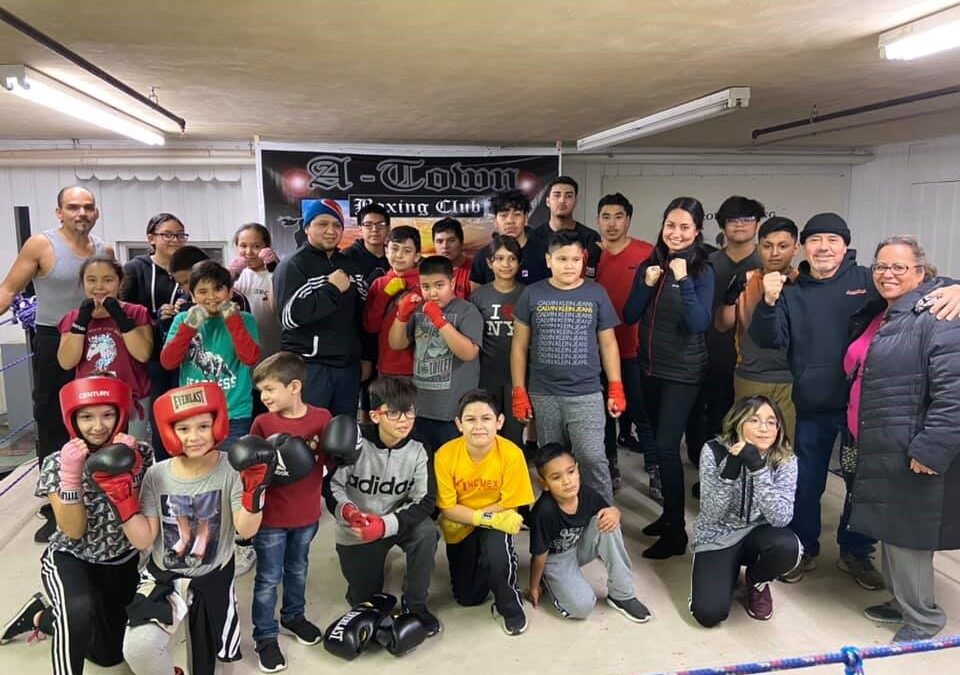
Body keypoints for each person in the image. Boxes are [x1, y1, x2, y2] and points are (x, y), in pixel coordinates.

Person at [749, 213, 960, 586]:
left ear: (845, 246)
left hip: (863, 413)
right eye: (816, 240)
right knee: (807, 483)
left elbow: (914, 283)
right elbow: (768, 339)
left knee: (860, 485)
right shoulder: (791, 291)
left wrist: (956, 287)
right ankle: (803, 549)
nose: (824, 247)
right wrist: (767, 301)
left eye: (832, 239)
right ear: (804, 247)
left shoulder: (868, 280)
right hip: (814, 407)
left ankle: (856, 551)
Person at [849, 236, 960, 642]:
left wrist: (932, 448)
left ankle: (923, 619)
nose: (887, 274)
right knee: (892, 531)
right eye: (881, 266)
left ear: (921, 272)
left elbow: (955, 391)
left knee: (910, 536)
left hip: (916, 447)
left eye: (899, 267)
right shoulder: (895, 312)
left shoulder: (940, 314)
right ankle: (901, 603)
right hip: (888, 442)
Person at [0, 376, 151, 675]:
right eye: (86, 416)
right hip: (72, 557)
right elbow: (73, 530)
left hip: (121, 559)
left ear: (121, 412)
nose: (98, 426)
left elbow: (140, 529)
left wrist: (129, 473)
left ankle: (43, 617)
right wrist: (72, 477)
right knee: (78, 610)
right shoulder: (58, 462)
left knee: (109, 655)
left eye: (107, 414)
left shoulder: (141, 453)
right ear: (73, 418)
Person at [119, 382, 271, 675]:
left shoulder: (232, 469)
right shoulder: (156, 474)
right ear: (169, 431)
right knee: (139, 649)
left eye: (203, 425)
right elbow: (144, 539)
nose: (194, 437)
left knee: (217, 668)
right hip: (165, 577)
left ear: (218, 423)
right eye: (183, 428)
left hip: (213, 577)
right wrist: (123, 502)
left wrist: (255, 491)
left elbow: (246, 530)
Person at [0, 186, 112, 541]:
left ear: (96, 213)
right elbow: (9, 288)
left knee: (99, 416)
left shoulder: (104, 250)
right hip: (53, 339)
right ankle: (55, 507)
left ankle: (99, 494)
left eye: (88, 207)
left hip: (97, 339)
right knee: (52, 421)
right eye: (74, 207)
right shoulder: (41, 245)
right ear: (59, 212)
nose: (82, 213)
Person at [623, 196, 715, 559]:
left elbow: (699, 324)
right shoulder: (650, 262)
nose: (676, 233)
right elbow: (630, 315)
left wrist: (683, 282)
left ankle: (676, 533)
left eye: (684, 227)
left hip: (683, 373)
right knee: (657, 443)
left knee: (665, 447)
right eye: (670, 225)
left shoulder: (703, 270)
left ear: (697, 231)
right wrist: (646, 284)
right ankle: (668, 516)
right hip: (650, 367)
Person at [511, 230, 624, 505]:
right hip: (544, 393)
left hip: (585, 392)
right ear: (549, 260)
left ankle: (603, 521)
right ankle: (563, 524)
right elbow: (519, 346)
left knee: (592, 459)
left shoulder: (596, 293)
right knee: (553, 463)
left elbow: (608, 344)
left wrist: (616, 386)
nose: (570, 265)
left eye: (576, 259)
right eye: (562, 259)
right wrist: (519, 391)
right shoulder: (532, 293)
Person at [325, 376, 440, 636]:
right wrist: (349, 512)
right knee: (364, 602)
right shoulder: (354, 442)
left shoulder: (420, 446)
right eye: (394, 413)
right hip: (358, 527)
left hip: (396, 522)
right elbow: (332, 487)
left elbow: (425, 500)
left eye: (409, 411)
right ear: (375, 416)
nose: (404, 420)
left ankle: (416, 606)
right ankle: (365, 589)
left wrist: (385, 525)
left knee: (427, 532)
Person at [248, 351, 331, 671]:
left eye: (270, 389)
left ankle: (294, 616)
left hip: (307, 514)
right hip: (270, 518)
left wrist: (347, 450)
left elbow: (332, 459)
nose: (264, 397)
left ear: (294, 386)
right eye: (261, 392)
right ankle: (265, 635)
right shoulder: (263, 422)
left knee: (298, 569)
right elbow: (249, 468)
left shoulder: (321, 418)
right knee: (268, 577)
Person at [690, 396, 800, 627]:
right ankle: (725, 570)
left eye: (772, 422)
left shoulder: (785, 459)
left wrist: (758, 469)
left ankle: (756, 579)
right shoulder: (713, 450)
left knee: (788, 547)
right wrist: (731, 467)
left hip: (758, 534)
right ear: (738, 422)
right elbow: (711, 514)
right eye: (754, 420)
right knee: (709, 614)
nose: (764, 428)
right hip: (718, 535)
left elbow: (781, 517)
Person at [434, 390, 535, 635]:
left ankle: (509, 606)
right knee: (468, 597)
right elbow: (447, 508)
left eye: (486, 419)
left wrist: (481, 518)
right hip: (460, 526)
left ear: (499, 422)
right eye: (470, 419)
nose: (479, 426)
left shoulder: (512, 454)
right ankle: (484, 568)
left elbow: (510, 502)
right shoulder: (445, 455)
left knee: (497, 556)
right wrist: (478, 517)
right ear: (459, 424)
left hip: (497, 520)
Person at [527, 444, 651, 623]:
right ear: (544, 484)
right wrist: (534, 586)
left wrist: (615, 512)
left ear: (578, 470)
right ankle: (550, 580)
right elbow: (539, 555)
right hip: (555, 559)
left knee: (608, 520)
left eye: (570, 472)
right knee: (582, 607)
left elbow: (608, 512)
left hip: (579, 547)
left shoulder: (586, 494)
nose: (567, 481)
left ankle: (622, 594)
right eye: (556, 477)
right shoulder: (544, 511)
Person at [687, 196, 763, 479]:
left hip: (751, 363)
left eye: (747, 219)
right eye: (733, 219)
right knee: (702, 421)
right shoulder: (707, 263)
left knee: (743, 424)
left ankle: (735, 477)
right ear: (722, 225)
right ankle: (706, 474)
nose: (740, 225)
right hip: (707, 355)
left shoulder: (765, 263)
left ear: (757, 224)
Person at [274, 199, 369, 416]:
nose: (330, 231)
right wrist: (332, 289)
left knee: (343, 434)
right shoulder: (293, 264)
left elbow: (361, 317)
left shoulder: (349, 265)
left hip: (347, 367)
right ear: (307, 227)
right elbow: (289, 318)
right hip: (309, 367)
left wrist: (365, 356)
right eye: (322, 224)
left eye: (337, 225)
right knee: (310, 435)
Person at [588, 193, 656, 493]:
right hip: (595, 350)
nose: (612, 223)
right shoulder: (590, 255)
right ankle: (610, 465)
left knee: (642, 411)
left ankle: (655, 468)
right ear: (598, 220)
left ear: (628, 219)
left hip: (635, 348)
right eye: (606, 216)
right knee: (602, 413)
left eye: (618, 216)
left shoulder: (646, 253)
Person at [714, 217, 800, 442]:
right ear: (758, 247)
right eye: (767, 246)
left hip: (791, 379)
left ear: (795, 248)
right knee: (745, 447)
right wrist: (729, 297)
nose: (774, 253)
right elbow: (722, 325)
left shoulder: (803, 284)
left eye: (783, 246)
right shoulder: (746, 280)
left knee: (785, 450)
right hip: (750, 375)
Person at [161, 260, 261, 449]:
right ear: (192, 295)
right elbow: (168, 362)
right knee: (198, 471)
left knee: (231, 470)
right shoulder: (182, 319)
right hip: (193, 412)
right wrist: (188, 328)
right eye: (202, 291)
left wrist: (233, 321)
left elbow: (250, 358)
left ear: (230, 292)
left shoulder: (245, 320)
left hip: (235, 413)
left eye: (218, 289)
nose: (211, 297)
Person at [388, 255, 482, 452]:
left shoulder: (467, 311)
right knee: (422, 466)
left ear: (453, 282)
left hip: (453, 410)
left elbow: (468, 353)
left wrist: (440, 321)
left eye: (440, 285)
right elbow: (396, 344)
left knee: (449, 466)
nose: (432, 293)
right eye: (426, 286)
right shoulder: (418, 310)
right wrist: (402, 315)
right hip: (421, 407)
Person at [57, 256, 153, 439]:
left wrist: (119, 316)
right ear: (83, 282)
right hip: (90, 398)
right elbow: (66, 362)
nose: (99, 286)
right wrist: (82, 321)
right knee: (91, 454)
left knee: (131, 452)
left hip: (132, 396)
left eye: (108, 280)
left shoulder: (136, 312)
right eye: (91, 280)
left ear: (120, 281)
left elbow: (142, 354)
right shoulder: (73, 317)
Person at [119, 212, 188, 459]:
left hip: (185, 356)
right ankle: (158, 470)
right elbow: (122, 310)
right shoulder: (135, 269)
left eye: (180, 235)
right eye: (167, 234)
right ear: (151, 238)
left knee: (184, 414)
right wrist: (153, 316)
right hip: (149, 356)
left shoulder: (190, 269)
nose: (175, 240)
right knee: (158, 415)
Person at [470, 234, 525, 449]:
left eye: (512, 258)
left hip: (518, 376)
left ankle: (511, 474)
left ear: (519, 262)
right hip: (486, 374)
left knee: (513, 431)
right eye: (500, 258)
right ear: (489, 263)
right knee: (487, 428)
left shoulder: (527, 294)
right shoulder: (478, 297)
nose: (506, 264)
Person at [364, 225, 422, 377]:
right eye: (394, 248)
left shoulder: (425, 284)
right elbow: (371, 327)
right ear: (386, 251)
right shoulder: (379, 283)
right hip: (386, 365)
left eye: (407, 251)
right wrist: (384, 295)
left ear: (416, 256)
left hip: (420, 368)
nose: (399, 255)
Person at [524, 176, 601, 284]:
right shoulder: (533, 237)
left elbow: (595, 277)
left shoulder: (590, 237)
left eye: (569, 196)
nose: (562, 200)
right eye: (557, 195)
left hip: (578, 298)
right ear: (547, 201)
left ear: (575, 201)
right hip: (542, 298)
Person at [228, 223, 281, 360]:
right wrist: (229, 278)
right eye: (243, 246)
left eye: (256, 246)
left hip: (270, 346)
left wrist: (275, 271)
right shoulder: (235, 274)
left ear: (267, 247)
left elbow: (276, 309)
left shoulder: (274, 274)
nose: (249, 252)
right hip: (238, 348)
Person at [470, 189, 535, 289]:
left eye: (517, 214)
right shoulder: (482, 256)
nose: (510, 221)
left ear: (526, 218)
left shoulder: (542, 253)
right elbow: (476, 297)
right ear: (495, 221)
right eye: (504, 215)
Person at [344, 203, 391, 286]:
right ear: (360, 229)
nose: (375, 230)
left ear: (388, 229)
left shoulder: (394, 256)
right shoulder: (347, 256)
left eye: (381, 225)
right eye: (368, 225)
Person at [432, 217, 473, 299]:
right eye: (439, 241)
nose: (445, 246)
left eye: (451, 240)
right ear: (434, 244)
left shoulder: (475, 270)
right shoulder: (427, 270)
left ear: (461, 242)